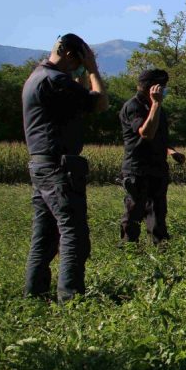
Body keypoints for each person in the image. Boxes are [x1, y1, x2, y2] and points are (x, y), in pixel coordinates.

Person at [21, 33, 108, 301]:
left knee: (44, 235)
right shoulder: (56, 80)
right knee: (73, 233)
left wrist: (81, 74)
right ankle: (70, 299)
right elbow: (99, 103)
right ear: (71, 54)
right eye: (81, 59)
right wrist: (93, 70)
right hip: (59, 167)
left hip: (41, 164)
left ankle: (35, 295)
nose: (80, 66)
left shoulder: (38, 78)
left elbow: (77, 101)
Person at [119, 68, 185, 244]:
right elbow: (146, 133)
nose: (164, 90)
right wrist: (155, 105)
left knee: (158, 214)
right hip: (137, 170)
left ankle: (161, 250)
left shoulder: (158, 109)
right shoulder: (133, 106)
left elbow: (159, 138)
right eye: (162, 86)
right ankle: (129, 251)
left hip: (157, 169)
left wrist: (171, 151)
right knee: (134, 213)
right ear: (152, 87)